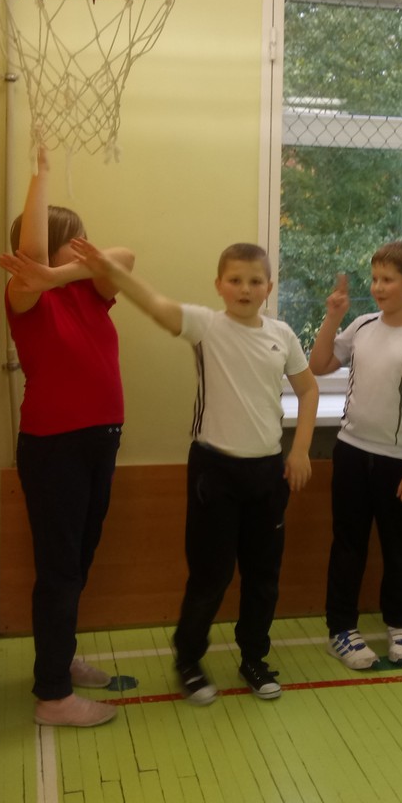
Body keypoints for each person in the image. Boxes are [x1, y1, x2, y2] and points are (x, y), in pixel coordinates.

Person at [70, 238, 320, 702]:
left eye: (255, 281)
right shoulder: (206, 326)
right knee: (211, 576)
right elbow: (155, 304)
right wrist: (112, 271)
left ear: (269, 287)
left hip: (268, 474)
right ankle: (188, 658)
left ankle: (254, 657)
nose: (245, 289)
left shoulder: (282, 335)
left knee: (263, 577)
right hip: (214, 475)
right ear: (219, 285)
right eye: (235, 280)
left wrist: (300, 450)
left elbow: (308, 390)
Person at [0, 148, 134, 728]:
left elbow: (124, 258)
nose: (89, 247)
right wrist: (42, 175)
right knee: (59, 570)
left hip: (99, 440)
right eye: (76, 239)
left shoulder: (86, 290)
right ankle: (52, 696)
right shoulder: (27, 297)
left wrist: (63, 270)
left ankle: (61, 656)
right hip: (55, 447)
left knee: (77, 563)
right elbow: (31, 256)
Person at [310, 243, 402, 669]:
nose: (377, 287)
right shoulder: (362, 325)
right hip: (351, 454)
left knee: (398, 547)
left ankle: (399, 623)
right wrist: (333, 316)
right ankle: (341, 629)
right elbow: (318, 364)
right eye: (374, 279)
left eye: (387, 280)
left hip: (399, 463)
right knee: (348, 545)